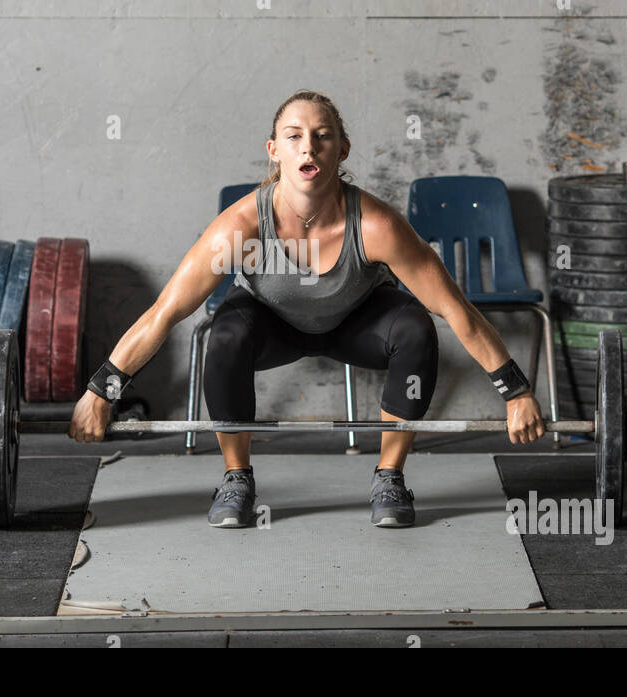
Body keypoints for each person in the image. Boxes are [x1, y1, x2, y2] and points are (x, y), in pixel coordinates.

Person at [69, 90, 544, 528]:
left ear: (343, 150)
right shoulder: (240, 228)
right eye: (294, 137)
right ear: (274, 150)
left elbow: (457, 311)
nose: (308, 148)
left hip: (358, 321)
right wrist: (100, 392)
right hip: (270, 324)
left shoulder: (378, 226)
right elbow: (164, 313)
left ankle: (389, 476)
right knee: (225, 335)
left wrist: (516, 392)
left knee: (416, 327)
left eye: (322, 137)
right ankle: (237, 478)